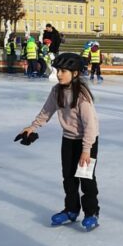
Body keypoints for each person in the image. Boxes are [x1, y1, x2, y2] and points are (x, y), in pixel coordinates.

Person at [16, 51, 101, 230]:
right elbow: (46, 111)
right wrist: (32, 127)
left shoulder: (82, 96)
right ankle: (71, 210)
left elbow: (91, 126)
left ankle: (92, 213)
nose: (59, 74)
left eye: (63, 71)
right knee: (68, 177)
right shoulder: (57, 91)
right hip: (68, 139)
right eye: (58, 70)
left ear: (75, 73)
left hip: (87, 141)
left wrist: (86, 150)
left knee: (86, 179)